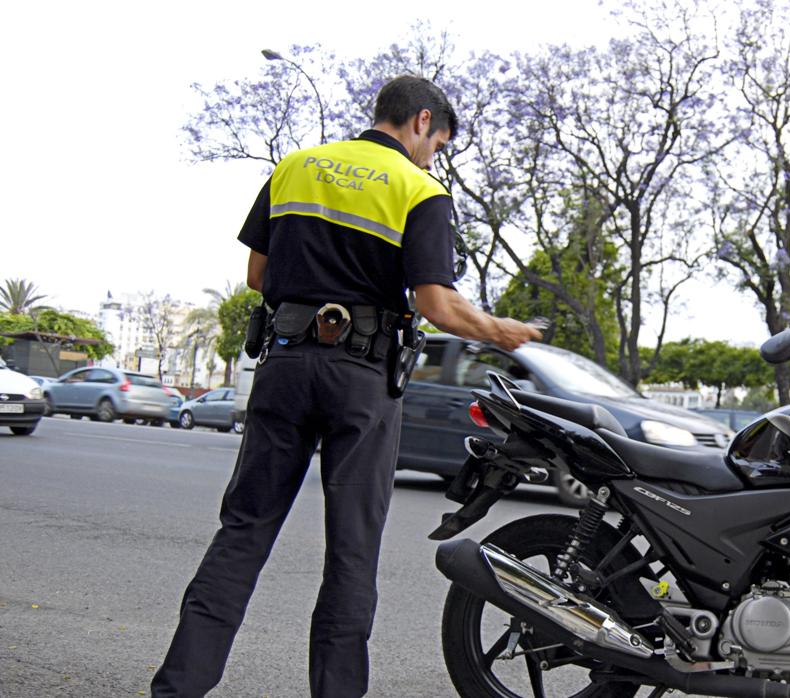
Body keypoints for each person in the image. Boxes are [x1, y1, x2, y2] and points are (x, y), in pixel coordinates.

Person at [151, 75, 540, 698]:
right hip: (362, 380)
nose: (432, 155)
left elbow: (258, 274)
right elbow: (437, 305)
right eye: (437, 143)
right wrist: (497, 329)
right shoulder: (420, 190)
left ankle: (178, 688)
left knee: (244, 531)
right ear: (421, 121)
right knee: (352, 551)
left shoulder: (296, 167)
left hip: (283, 365)